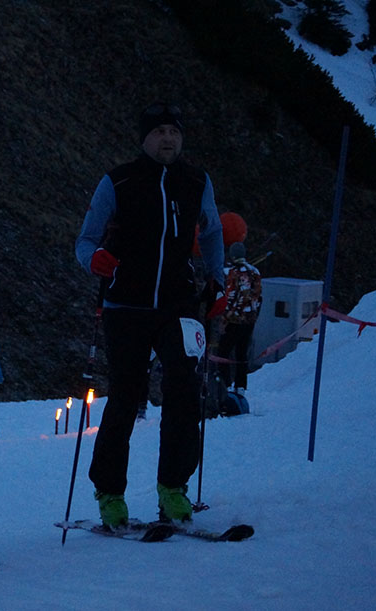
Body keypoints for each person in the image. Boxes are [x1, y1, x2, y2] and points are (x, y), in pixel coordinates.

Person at [75, 102, 225, 527]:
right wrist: (95, 260)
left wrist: (217, 280)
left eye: (174, 132)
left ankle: (173, 488)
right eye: (159, 132)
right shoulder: (118, 181)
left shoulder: (196, 181)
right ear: (144, 139)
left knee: (184, 391)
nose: (168, 139)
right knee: (126, 397)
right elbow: (85, 241)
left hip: (179, 304)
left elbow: (213, 232)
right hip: (126, 304)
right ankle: (110, 493)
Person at [215, 242, 262, 396]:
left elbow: (231, 298)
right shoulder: (255, 272)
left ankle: (226, 386)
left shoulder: (233, 273)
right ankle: (241, 387)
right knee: (242, 354)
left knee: (223, 353)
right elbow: (258, 297)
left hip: (234, 320)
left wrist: (224, 319)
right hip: (249, 320)